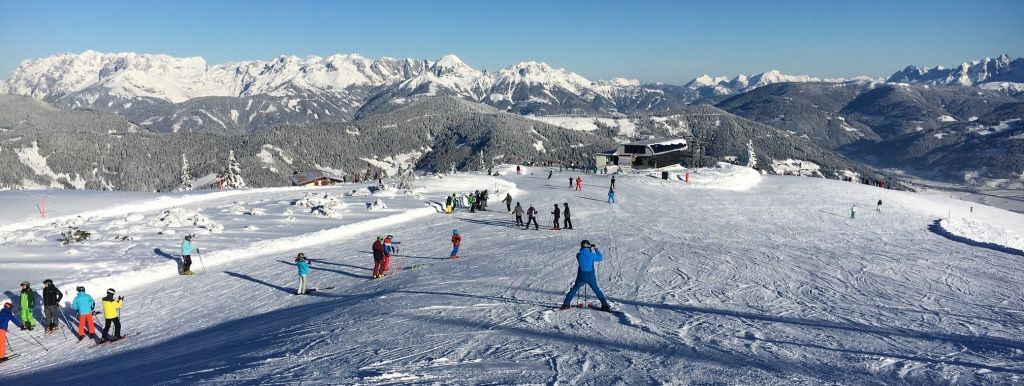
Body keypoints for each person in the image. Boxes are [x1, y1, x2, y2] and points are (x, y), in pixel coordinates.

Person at [560, 240, 611, 311]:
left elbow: (584, 255)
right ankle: (605, 306)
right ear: (588, 246)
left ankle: (566, 304)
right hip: (590, 276)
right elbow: (600, 258)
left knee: (574, 289)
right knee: (597, 290)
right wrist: (595, 249)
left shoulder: (578, 255)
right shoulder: (592, 255)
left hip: (581, 276)